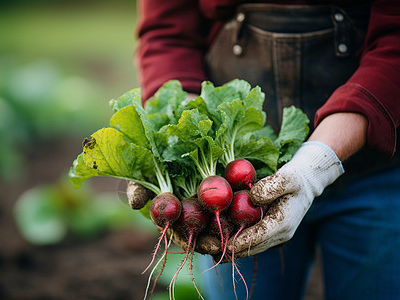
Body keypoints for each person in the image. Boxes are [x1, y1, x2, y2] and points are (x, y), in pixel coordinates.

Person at [130, 1, 400, 299]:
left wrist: (315, 166)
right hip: (243, 193)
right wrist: (174, 130)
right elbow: (169, 33)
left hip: (375, 169)